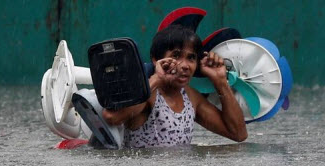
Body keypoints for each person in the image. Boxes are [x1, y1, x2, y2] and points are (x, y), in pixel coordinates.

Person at [101, 25, 247, 147]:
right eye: (176, 56)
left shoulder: (191, 98)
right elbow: (113, 118)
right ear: (155, 59)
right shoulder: (149, 94)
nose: (184, 65)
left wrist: (220, 81)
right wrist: (157, 79)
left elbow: (238, 134)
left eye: (191, 58)